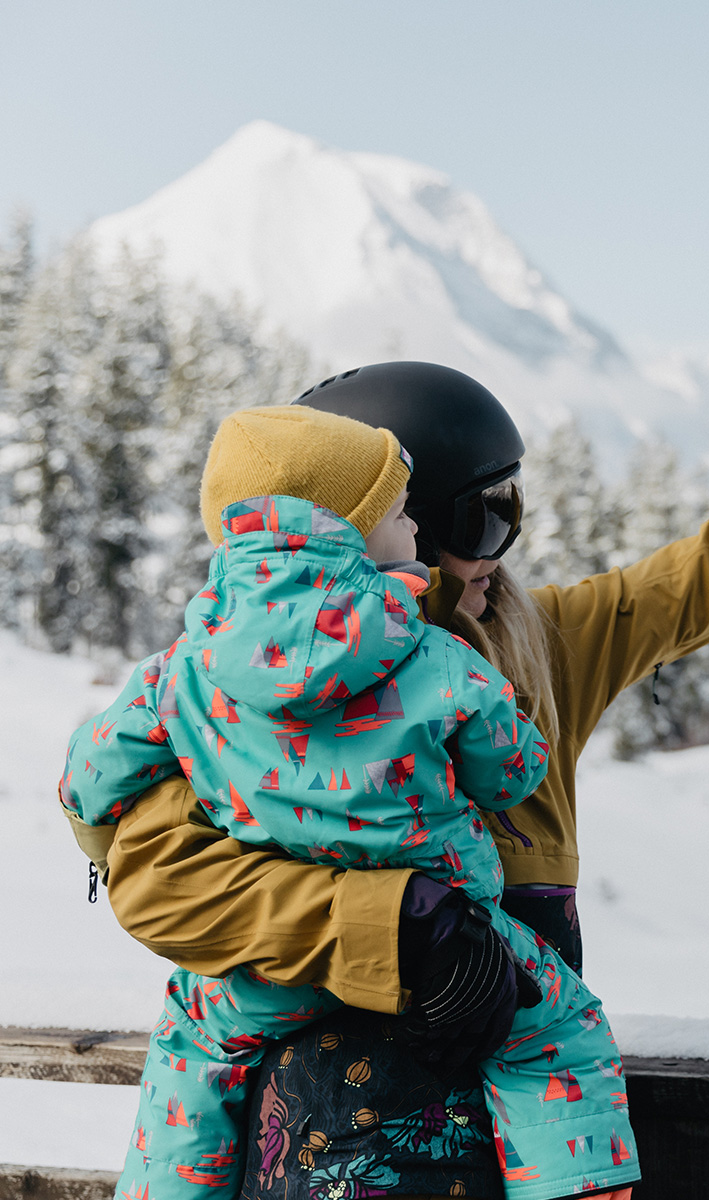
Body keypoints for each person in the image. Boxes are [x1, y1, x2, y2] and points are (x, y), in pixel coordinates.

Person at [67, 361, 709, 1198]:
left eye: (511, 514)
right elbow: (156, 880)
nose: (498, 554)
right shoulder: (244, 696)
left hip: (513, 1129)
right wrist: (401, 929)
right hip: (325, 1132)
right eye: (480, 519)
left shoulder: (539, 650)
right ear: (381, 535)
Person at [61, 405, 639, 1200]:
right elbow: (514, 773)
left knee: (193, 1046)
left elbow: (89, 780)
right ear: (359, 534)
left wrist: (100, 846)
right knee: (557, 1028)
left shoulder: (183, 668)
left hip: (274, 963)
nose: (418, 537)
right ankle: (579, 1186)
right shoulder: (435, 656)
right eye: (403, 515)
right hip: (451, 938)